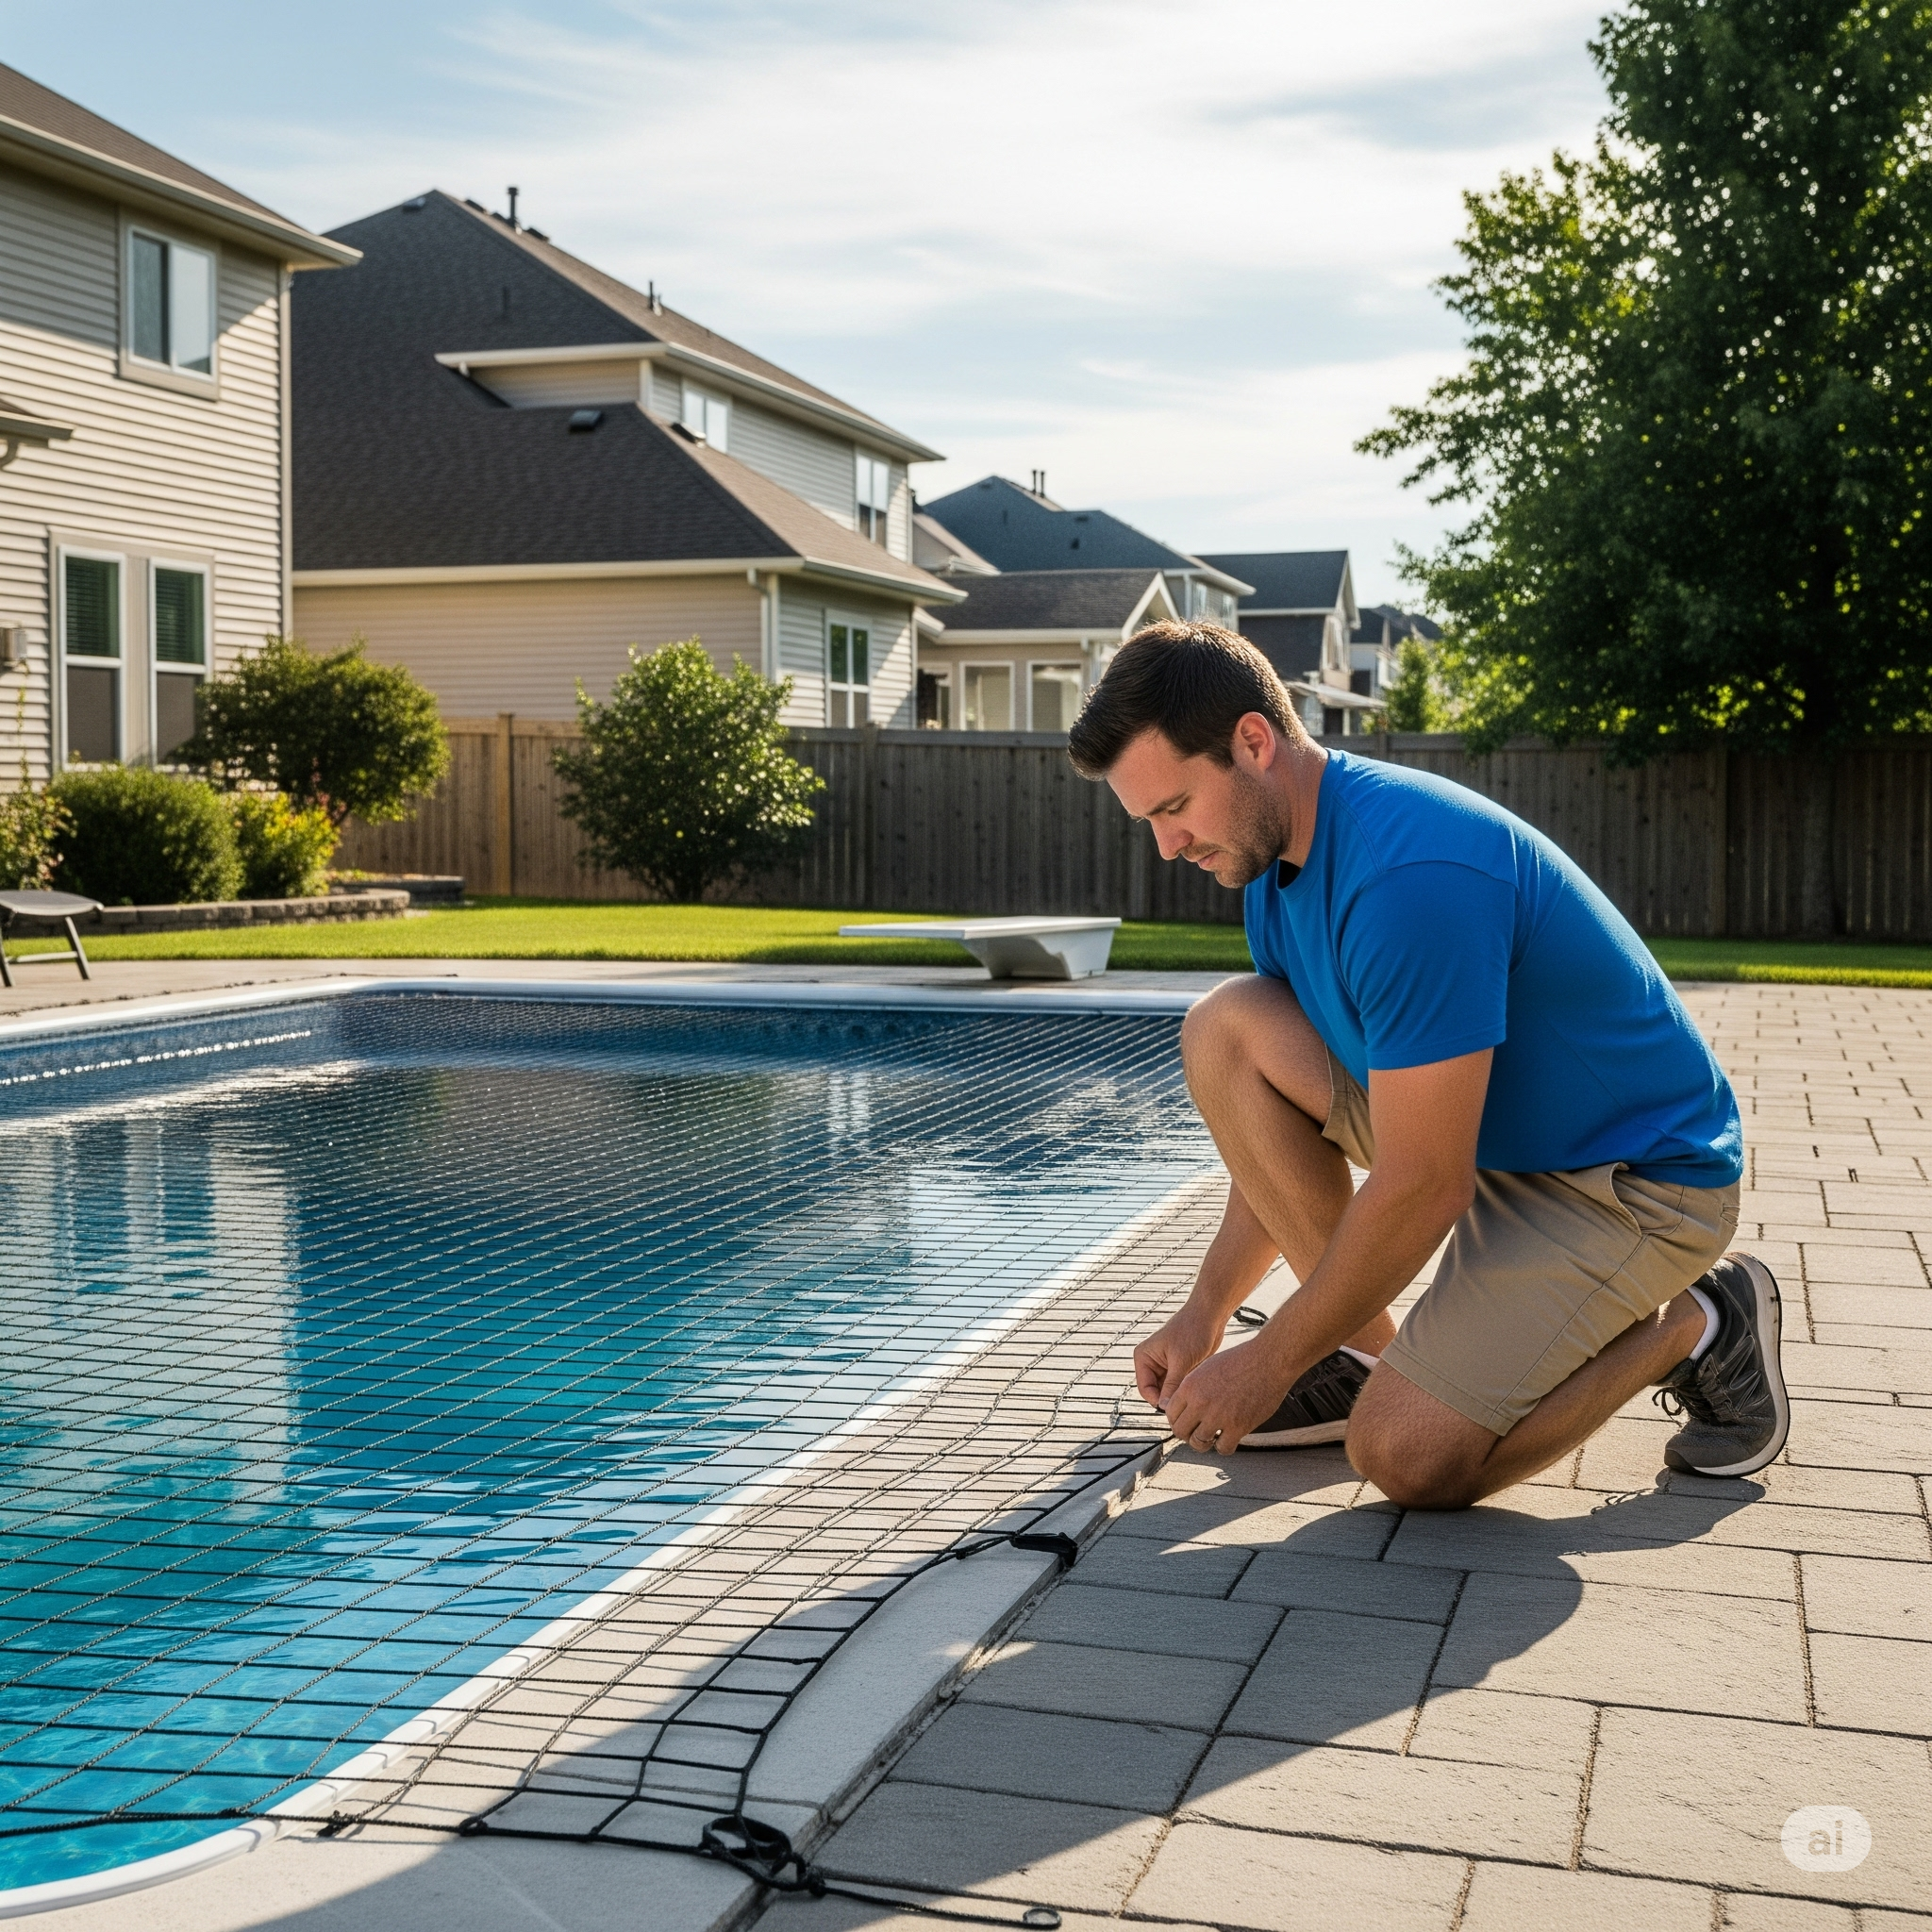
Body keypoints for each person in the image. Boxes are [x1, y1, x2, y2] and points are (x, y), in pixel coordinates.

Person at [1066, 623, 1786, 1507]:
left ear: (1252, 742)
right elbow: (1280, 1134)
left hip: (1633, 1181)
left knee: (1405, 1458)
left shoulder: (1407, 876)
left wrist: (1272, 1358)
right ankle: (1362, 1353)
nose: (1168, 846)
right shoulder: (1273, 869)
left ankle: (1698, 1319)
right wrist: (1208, 1314)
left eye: (1174, 808)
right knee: (1228, 1030)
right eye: (1149, 822)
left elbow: (1423, 1182)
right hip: (1488, 1142)